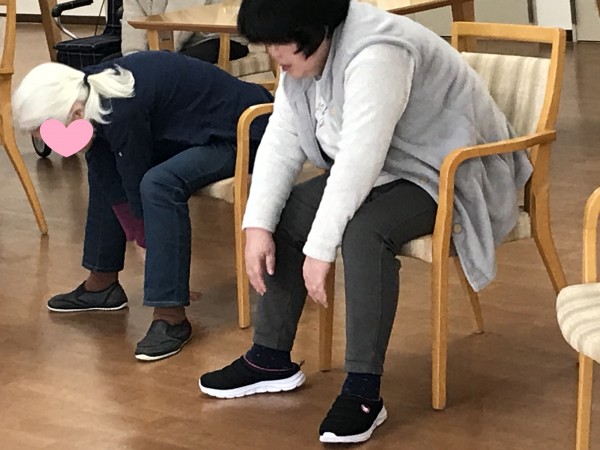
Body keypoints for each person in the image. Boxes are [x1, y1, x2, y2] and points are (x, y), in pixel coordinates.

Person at [198, 0, 533, 444]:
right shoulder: (310, 51)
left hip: (449, 171)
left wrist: (320, 250)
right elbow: (284, 135)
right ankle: (269, 358)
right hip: (388, 168)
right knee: (287, 215)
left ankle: (363, 391)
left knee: (365, 233)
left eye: (279, 43)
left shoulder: (378, 51)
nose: (272, 55)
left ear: (315, 29)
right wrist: (256, 225)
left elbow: (360, 157)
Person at [12, 51, 273, 362]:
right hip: (189, 133)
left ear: (76, 113)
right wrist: (138, 234)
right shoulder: (87, 91)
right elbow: (113, 176)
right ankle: (102, 285)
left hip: (242, 133)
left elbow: (135, 176)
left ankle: (170, 316)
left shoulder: (120, 108)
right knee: (102, 165)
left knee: (159, 183)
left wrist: (146, 242)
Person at [119, 0, 249, 62]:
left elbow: (178, 21)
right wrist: (132, 57)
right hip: (169, 42)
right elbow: (132, 22)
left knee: (171, 66)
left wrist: (153, 61)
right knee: (114, 65)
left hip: (218, 38)